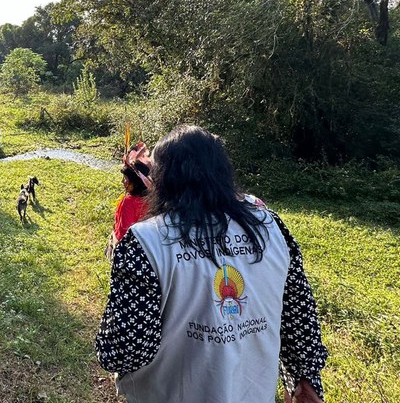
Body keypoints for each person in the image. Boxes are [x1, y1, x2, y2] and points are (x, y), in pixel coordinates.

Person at [96, 125, 328, 403]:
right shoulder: (270, 226)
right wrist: (305, 376)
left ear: (163, 179)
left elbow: (125, 349)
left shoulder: (146, 241)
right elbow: (298, 312)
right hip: (254, 393)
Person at [105, 142, 152, 261]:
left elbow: (122, 233)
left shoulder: (128, 203)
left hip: (127, 253)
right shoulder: (155, 200)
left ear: (136, 182)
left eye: (126, 179)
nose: (123, 182)